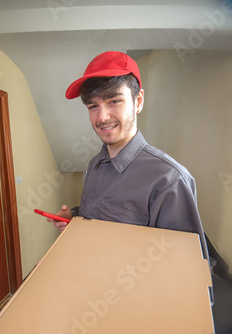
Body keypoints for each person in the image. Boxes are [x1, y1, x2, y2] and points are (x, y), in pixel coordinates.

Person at [48, 51, 210, 269]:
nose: (102, 117)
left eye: (114, 101)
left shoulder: (170, 180)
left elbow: (187, 271)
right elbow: (99, 215)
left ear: (138, 101)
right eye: (92, 106)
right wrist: (74, 218)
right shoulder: (94, 164)